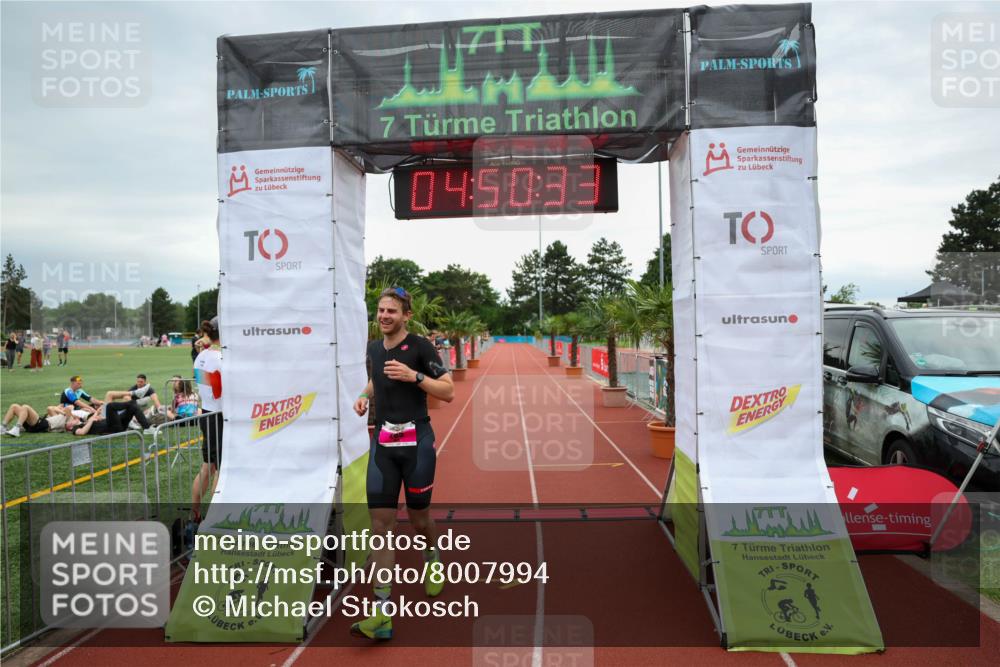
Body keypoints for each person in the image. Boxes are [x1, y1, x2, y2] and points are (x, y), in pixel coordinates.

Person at [351, 287, 454, 640]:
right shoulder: (374, 349)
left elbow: (449, 390)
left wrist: (416, 378)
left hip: (417, 444)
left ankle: (432, 555)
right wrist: (365, 396)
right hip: (383, 444)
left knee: (418, 517)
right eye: (380, 310)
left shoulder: (422, 347)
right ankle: (381, 613)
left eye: (391, 311)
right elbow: (376, 379)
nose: (383, 316)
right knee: (380, 525)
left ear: (405, 315)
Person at [192, 316, 223, 521]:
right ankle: (216, 521)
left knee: (208, 466)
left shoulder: (201, 355)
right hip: (220, 417)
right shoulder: (220, 358)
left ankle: (194, 517)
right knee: (222, 470)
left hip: (207, 413)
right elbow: (221, 390)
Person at [70, 401, 153, 437]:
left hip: (117, 424)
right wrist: (91, 420)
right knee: (110, 406)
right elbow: (82, 432)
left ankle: (147, 428)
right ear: (69, 426)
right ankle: (131, 403)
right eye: (72, 420)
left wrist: (96, 414)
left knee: (132, 408)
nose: (74, 418)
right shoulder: (75, 428)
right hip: (112, 429)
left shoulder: (84, 422)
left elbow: (93, 418)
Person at [2, 404, 72, 437]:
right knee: (14, 406)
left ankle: (16, 428)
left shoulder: (66, 417)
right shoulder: (55, 416)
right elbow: (50, 408)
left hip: (44, 425)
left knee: (25, 407)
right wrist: (58, 409)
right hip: (35, 425)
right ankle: (3, 427)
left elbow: (69, 408)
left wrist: (60, 409)